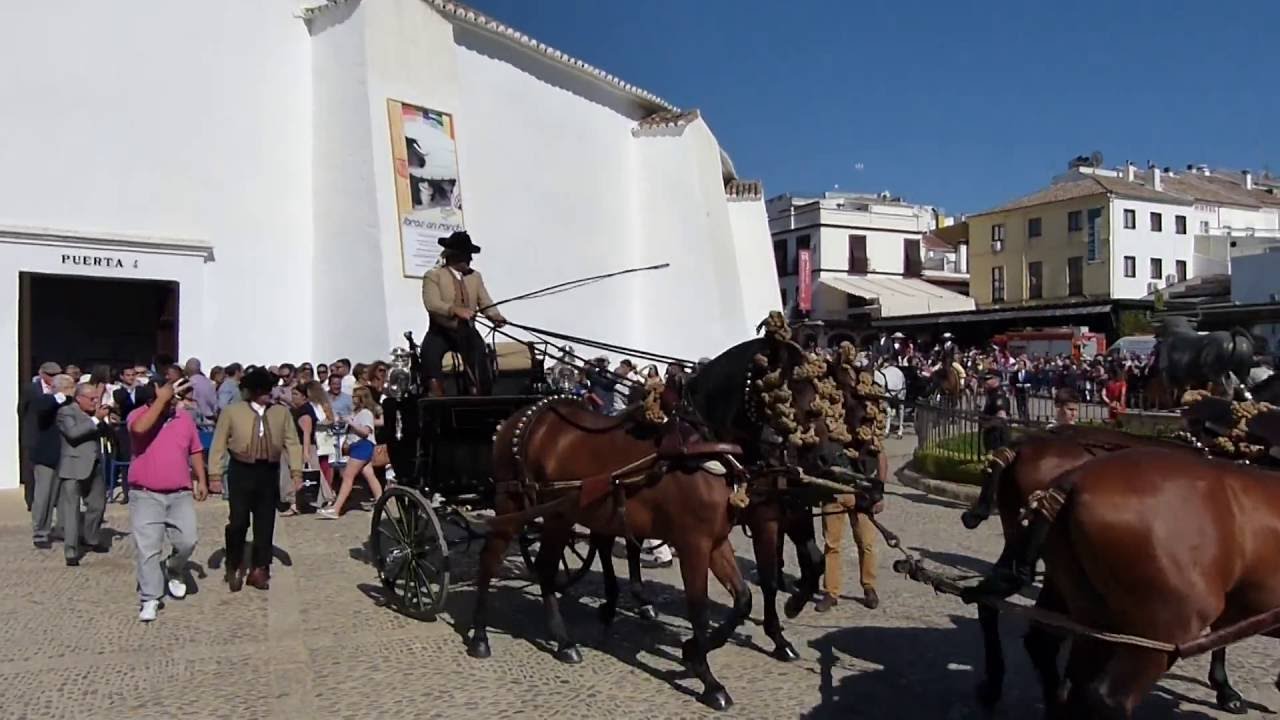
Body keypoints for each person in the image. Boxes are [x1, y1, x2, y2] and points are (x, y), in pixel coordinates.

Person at [208, 368, 302, 592]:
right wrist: (214, 475)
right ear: (251, 392)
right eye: (261, 391)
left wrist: (296, 472)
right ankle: (235, 562)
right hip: (241, 470)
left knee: (265, 522)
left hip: (268, 471)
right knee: (238, 521)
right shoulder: (232, 412)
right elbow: (219, 443)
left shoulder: (281, 413)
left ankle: (260, 567)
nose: (266, 395)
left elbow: (293, 442)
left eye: (268, 390)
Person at [126, 378, 208, 622]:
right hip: (145, 494)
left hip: (179, 493)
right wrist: (162, 399)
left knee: (188, 540)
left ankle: (174, 567)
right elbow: (140, 429)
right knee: (148, 548)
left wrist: (201, 479)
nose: (174, 401)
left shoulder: (184, 419)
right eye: (169, 396)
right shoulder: (137, 416)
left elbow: (194, 450)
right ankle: (150, 597)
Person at [420, 230, 507, 396]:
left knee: (480, 359)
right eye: (467, 255)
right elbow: (432, 303)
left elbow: (485, 301)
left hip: (466, 330)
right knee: (429, 357)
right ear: (454, 256)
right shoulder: (433, 276)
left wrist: (494, 316)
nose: (470, 259)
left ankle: (479, 395)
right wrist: (454, 310)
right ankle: (436, 398)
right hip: (440, 332)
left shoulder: (475, 277)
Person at [57, 382, 114, 566]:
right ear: (79, 398)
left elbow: (105, 433)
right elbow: (73, 434)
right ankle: (71, 551)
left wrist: (105, 421)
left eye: (96, 398)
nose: (94, 402)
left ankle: (91, 538)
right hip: (73, 467)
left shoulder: (93, 414)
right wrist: (96, 419)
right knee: (72, 511)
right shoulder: (66, 412)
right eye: (91, 399)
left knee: (97, 505)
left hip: (94, 465)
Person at [317, 386, 385, 518]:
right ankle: (381, 503)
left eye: (355, 396)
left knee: (348, 476)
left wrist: (351, 423)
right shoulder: (357, 413)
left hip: (362, 445)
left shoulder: (366, 413)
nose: (352, 399)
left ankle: (336, 509)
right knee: (369, 475)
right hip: (357, 446)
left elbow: (366, 432)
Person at [30, 374, 75, 549]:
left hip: (66, 456)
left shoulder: (70, 403)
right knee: (44, 496)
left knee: (65, 496)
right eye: (70, 386)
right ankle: (41, 532)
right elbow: (42, 409)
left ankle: (63, 529)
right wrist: (62, 395)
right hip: (47, 456)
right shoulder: (47, 400)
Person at [19, 361, 62, 510]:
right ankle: (31, 501)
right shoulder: (30, 389)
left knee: (51, 471)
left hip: (51, 435)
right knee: (31, 470)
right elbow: (22, 410)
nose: (53, 378)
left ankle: (53, 500)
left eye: (56, 375)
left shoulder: (60, 390)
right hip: (33, 434)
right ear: (42, 374)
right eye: (50, 375)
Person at [979, 371, 1011, 453]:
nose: (984, 382)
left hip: (997, 434)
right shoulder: (991, 393)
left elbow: (1001, 417)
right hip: (991, 433)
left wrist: (986, 425)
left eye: (987, 379)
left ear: (996, 380)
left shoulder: (999, 395)